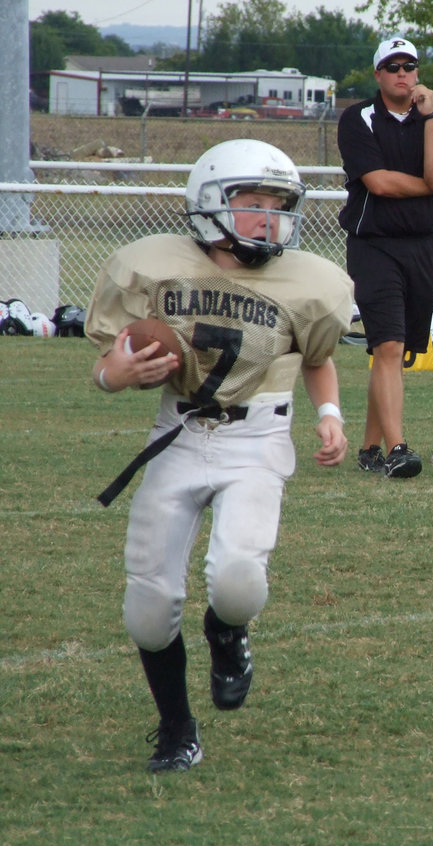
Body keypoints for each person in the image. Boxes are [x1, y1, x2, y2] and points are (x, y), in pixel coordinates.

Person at [85, 139, 354, 772]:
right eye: (252, 202)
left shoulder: (306, 281)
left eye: (278, 205)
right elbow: (104, 365)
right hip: (177, 434)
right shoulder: (152, 266)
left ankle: (227, 631)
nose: (268, 217)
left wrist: (331, 417)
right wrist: (114, 375)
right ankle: (177, 730)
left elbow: (316, 358)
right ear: (209, 203)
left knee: (237, 580)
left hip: (256, 435)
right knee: (147, 608)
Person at [337, 37, 433, 478]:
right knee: (386, 345)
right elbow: (380, 184)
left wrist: (428, 121)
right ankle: (397, 449)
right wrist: (431, 182)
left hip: (421, 245)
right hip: (374, 245)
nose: (403, 74)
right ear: (378, 75)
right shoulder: (359, 119)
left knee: (398, 352)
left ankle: (370, 448)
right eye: (393, 67)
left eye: (409, 66)